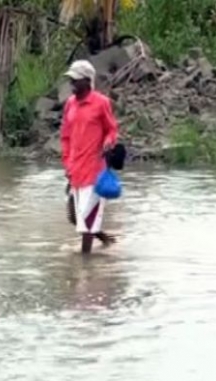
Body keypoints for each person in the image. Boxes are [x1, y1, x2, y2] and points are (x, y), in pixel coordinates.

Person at [60, 60, 119, 254]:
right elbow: (66, 136)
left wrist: (108, 142)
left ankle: (84, 265)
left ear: (87, 81)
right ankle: (102, 238)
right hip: (75, 169)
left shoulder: (101, 103)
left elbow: (112, 130)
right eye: (71, 80)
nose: (72, 85)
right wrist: (67, 163)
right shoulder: (70, 104)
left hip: (95, 171)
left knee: (85, 221)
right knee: (76, 217)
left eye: (75, 81)